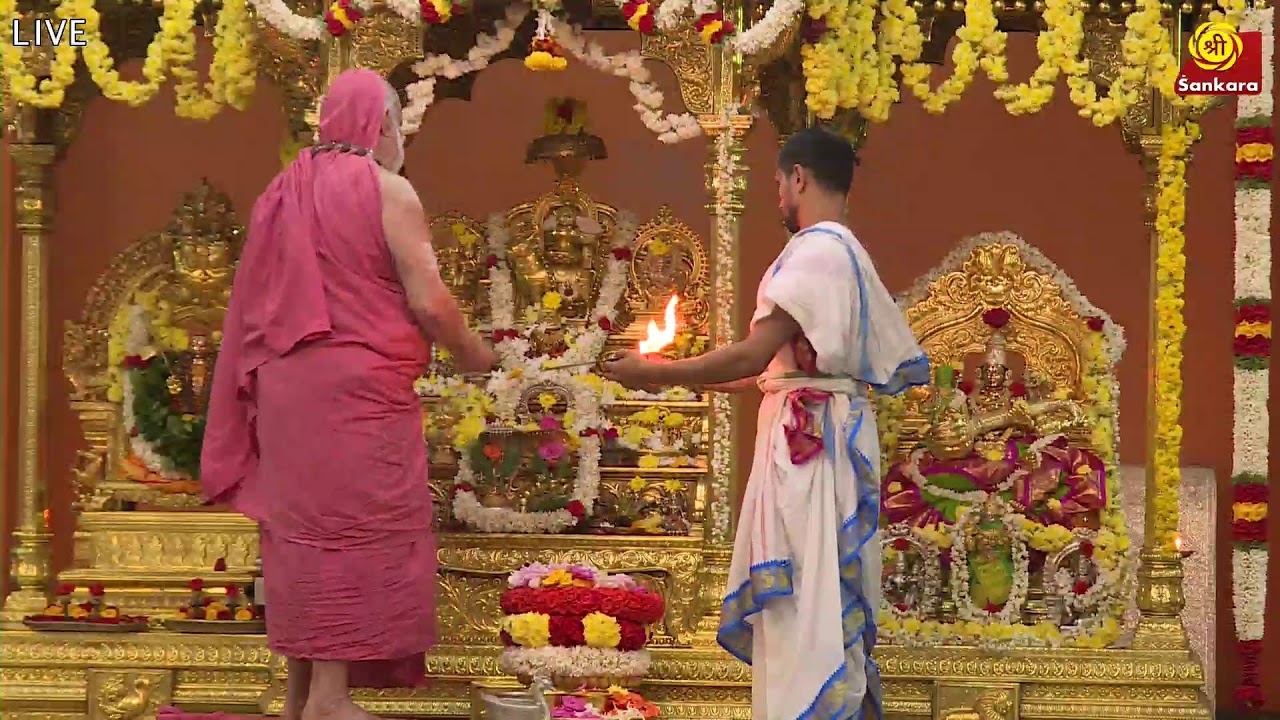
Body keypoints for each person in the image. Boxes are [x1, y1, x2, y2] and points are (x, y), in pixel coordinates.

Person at [603, 127, 929, 720]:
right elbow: (773, 373)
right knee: (809, 603)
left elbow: (754, 355)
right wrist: (667, 371)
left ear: (798, 178)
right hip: (819, 435)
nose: (777, 195)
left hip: (808, 455)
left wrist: (657, 375)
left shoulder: (816, 252)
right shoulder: (845, 252)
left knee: (804, 608)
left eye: (778, 183)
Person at [201, 69, 496, 720]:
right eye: (398, 129)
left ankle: (302, 695)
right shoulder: (388, 189)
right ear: (383, 126)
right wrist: (478, 356)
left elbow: (251, 303)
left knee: (303, 531)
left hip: (285, 391)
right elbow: (430, 300)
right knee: (353, 528)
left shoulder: (279, 192)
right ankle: (332, 698)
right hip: (356, 390)